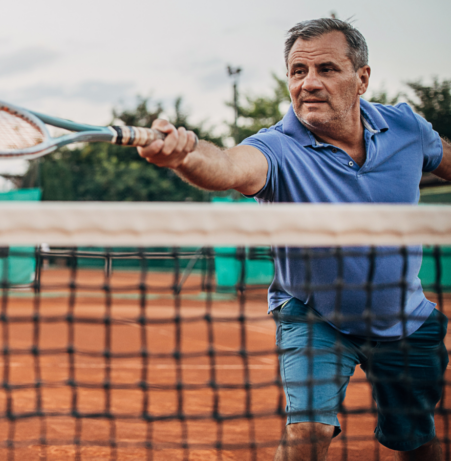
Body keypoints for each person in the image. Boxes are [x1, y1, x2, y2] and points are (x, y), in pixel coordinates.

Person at [136, 18, 451, 461]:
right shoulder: (277, 148)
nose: (309, 83)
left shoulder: (406, 128)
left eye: (326, 69)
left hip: (405, 318)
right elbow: (227, 165)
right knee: (307, 434)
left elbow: (446, 157)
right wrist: (184, 156)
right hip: (315, 316)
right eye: (298, 72)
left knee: (415, 442)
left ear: (361, 79)